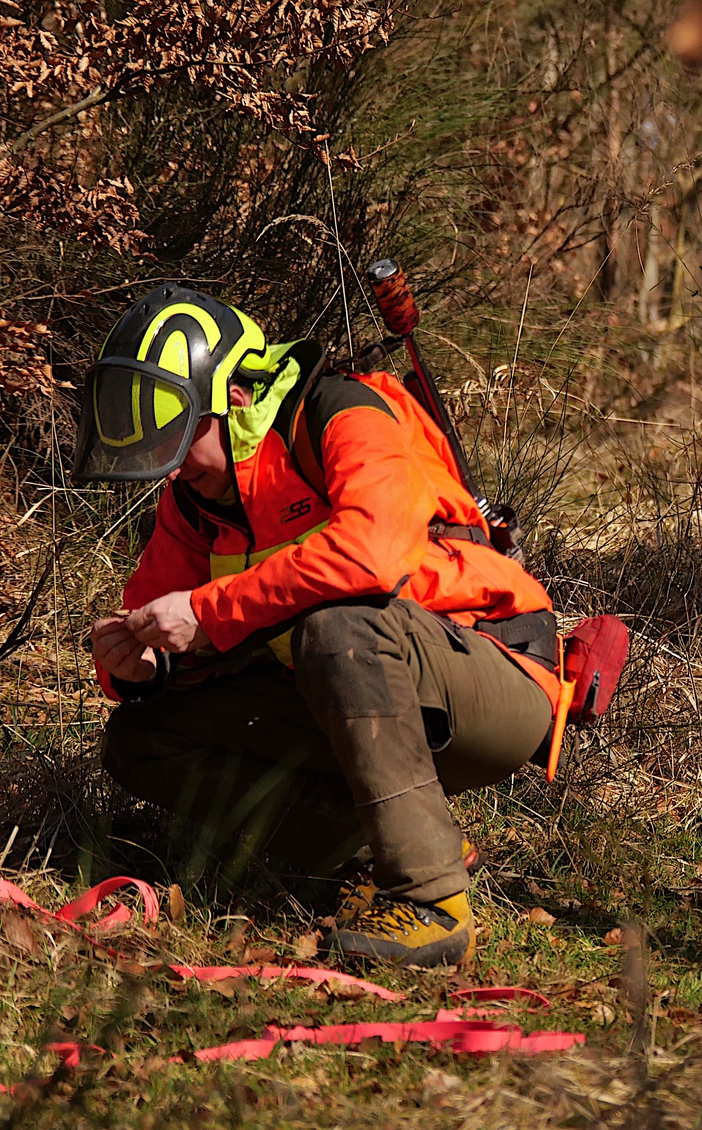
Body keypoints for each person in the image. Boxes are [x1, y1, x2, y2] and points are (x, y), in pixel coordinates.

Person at [72, 283, 559, 967]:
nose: (172, 466)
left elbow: (371, 554)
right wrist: (141, 669)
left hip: (492, 677)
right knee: (141, 739)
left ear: (234, 401)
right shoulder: (195, 498)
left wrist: (210, 613)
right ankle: (386, 849)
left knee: (336, 629)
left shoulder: (339, 411)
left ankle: (431, 901)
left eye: (182, 439)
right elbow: (157, 616)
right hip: (351, 696)